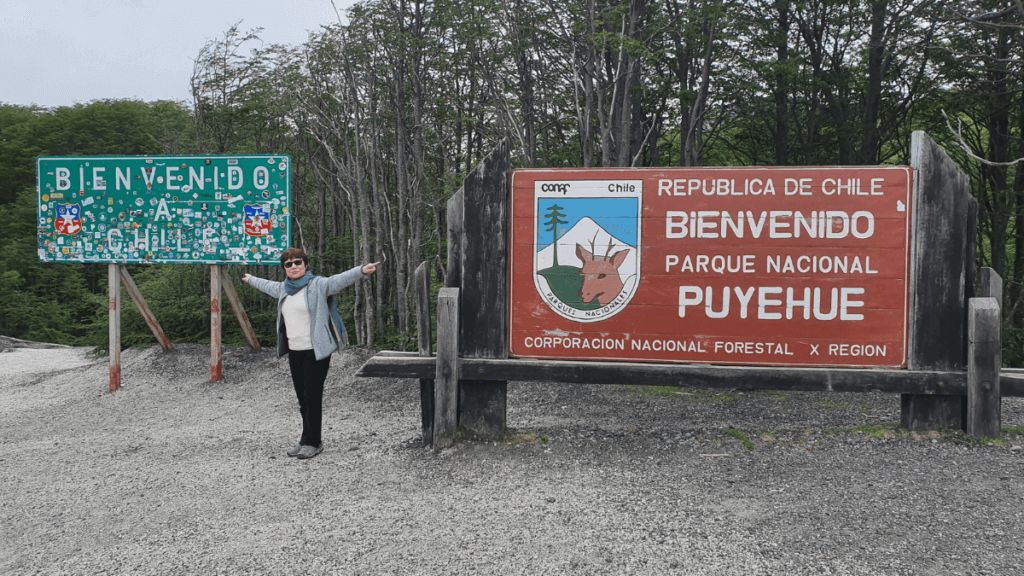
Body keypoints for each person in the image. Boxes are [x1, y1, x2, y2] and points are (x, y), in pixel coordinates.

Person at [242, 248, 379, 460]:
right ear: (284, 269)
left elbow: (340, 280)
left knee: (312, 396)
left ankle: (313, 442)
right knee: (302, 398)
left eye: (298, 262)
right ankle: (307, 439)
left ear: (305, 264)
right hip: (295, 351)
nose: (294, 266)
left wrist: (361, 270)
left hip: (316, 351)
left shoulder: (318, 285)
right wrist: (250, 278)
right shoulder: (284, 289)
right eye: (288, 264)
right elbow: (266, 285)